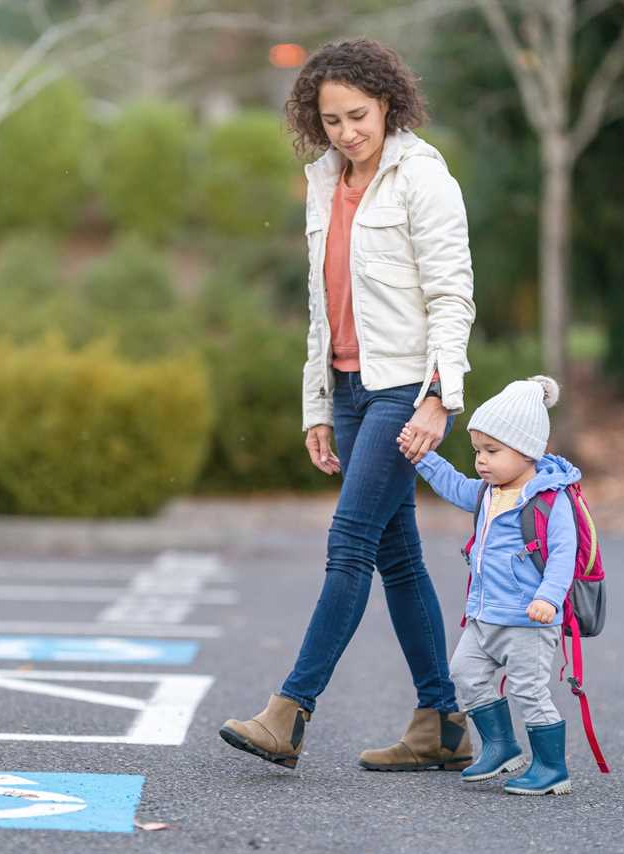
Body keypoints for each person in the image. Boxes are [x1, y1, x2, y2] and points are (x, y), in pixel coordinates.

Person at [218, 38, 477, 771]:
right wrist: (318, 404)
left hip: (405, 391)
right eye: (330, 120)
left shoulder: (424, 179)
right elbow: (320, 307)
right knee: (399, 560)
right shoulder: (325, 182)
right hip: (352, 388)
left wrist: (437, 398)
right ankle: (443, 724)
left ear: (388, 102)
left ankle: (289, 712)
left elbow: (452, 298)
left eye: (357, 116)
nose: (346, 132)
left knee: (350, 544)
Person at [406, 375, 578, 795]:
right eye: (478, 451)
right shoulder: (487, 492)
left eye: (492, 451)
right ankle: (500, 745)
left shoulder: (550, 500)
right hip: (484, 615)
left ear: (527, 450)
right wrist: (422, 456)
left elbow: (562, 556)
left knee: (529, 691)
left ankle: (552, 769)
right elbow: (453, 485)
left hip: (527, 619)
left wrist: (548, 599)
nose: (481, 461)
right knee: (464, 673)